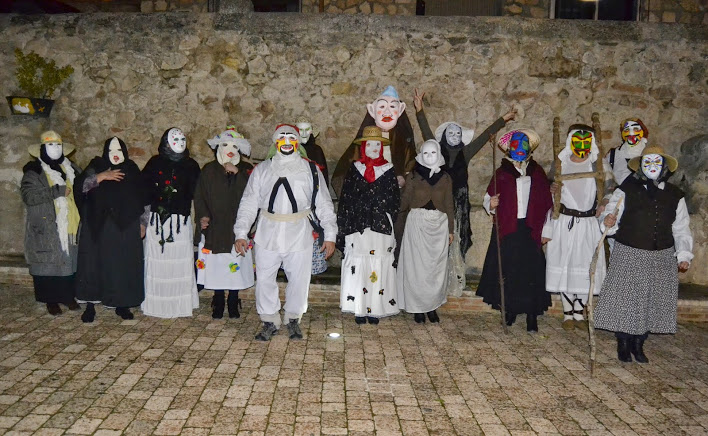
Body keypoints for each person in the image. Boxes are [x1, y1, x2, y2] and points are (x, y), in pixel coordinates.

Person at [234, 124, 337, 341]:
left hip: (299, 231)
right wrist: (241, 232)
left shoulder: (311, 171)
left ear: (298, 142)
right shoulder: (262, 170)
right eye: (282, 137)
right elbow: (249, 202)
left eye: (292, 137)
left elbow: (324, 203)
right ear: (275, 142)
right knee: (264, 278)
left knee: (299, 279)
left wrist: (330, 235)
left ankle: (293, 318)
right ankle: (269, 319)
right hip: (267, 232)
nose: (287, 141)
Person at [412, 88, 517, 295]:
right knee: (436, 241)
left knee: (457, 239)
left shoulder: (466, 152)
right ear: (444, 136)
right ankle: (433, 281)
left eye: (457, 133)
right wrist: (419, 110)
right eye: (450, 133)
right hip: (439, 202)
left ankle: (452, 280)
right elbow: (426, 132)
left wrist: (503, 119)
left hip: (459, 202)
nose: (454, 136)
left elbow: (484, 136)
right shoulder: (437, 150)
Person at [595, 146, 692, 363]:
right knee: (626, 299)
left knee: (651, 300)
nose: (651, 167)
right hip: (629, 251)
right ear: (640, 166)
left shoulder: (675, 195)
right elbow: (611, 215)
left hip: (662, 255)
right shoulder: (626, 189)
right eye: (647, 162)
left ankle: (639, 343)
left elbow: (681, 227)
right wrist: (607, 222)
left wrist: (684, 254)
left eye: (656, 162)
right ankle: (623, 341)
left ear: (664, 167)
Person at [476, 129, 553, 332]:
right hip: (509, 228)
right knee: (509, 271)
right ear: (510, 148)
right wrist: (490, 203)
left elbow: (547, 203)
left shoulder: (537, 172)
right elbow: (488, 197)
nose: (520, 148)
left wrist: (547, 229)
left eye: (524, 145)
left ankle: (531, 316)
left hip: (530, 229)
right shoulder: (501, 172)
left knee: (531, 273)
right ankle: (509, 309)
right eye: (516, 145)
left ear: (529, 149)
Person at [74, 137, 146, 322]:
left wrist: (143, 222)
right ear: (105, 151)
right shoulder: (95, 166)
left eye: (119, 151)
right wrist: (100, 177)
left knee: (121, 265)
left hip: (125, 226)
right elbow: (79, 188)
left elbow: (144, 198)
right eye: (111, 151)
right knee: (93, 264)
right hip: (97, 225)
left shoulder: (131, 169)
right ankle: (90, 305)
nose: (115, 155)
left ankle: (122, 303)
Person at [542, 125, 606, 330]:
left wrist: (604, 203)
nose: (582, 146)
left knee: (585, 266)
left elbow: (609, 189)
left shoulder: (597, 165)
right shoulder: (560, 164)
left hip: (588, 224)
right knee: (565, 264)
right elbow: (549, 191)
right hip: (565, 222)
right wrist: (552, 189)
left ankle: (579, 311)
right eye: (577, 141)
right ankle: (567, 312)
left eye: (586, 142)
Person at [337, 126, 400, 324]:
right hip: (359, 226)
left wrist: (382, 212)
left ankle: (375, 308)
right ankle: (359, 307)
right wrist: (347, 225)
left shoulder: (389, 171)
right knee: (359, 265)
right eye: (370, 144)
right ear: (364, 147)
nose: (374, 147)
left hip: (380, 227)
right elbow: (346, 198)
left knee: (378, 266)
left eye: (378, 144)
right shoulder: (355, 170)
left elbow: (394, 199)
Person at [194, 127, 255, 319]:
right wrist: (203, 216)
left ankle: (233, 299)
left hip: (237, 228)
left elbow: (253, 194)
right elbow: (200, 196)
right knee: (217, 266)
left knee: (234, 264)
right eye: (226, 145)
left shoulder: (246, 170)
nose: (230, 149)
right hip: (215, 228)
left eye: (235, 146)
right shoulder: (209, 170)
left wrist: (237, 173)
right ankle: (218, 299)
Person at [141, 127, 201, 318]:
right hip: (158, 221)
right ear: (166, 142)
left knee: (179, 260)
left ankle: (179, 303)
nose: (179, 142)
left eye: (183, 139)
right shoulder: (154, 163)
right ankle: (157, 303)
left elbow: (196, 192)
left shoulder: (191, 165)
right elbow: (143, 191)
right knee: (158, 259)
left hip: (180, 222)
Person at [20, 131, 81, 315]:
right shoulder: (34, 172)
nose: (55, 149)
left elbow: (82, 186)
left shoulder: (72, 169)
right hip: (46, 224)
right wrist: (57, 191)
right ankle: (50, 300)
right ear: (42, 149)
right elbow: (29, 196)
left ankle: (68, 296)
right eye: (50, 145)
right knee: (47, 262)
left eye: (58, 145)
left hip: (70, 224)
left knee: (69, 261)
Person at [395, 139, 454, 323]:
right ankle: (417, 308)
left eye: (433, 153)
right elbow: (404, 201)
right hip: (417, 224)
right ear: (421, 155)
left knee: (434, 270)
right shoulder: (413, 176)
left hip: (438, 226)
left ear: (439, 154)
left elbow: (450, 204)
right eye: (426, 153)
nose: (429, 157)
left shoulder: (445, 177)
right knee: (416, 269)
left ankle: (432, 307)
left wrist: (451, 229)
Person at [331, 86, 416, 196]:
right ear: (372, 110)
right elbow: (342, 174)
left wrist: (403, 179)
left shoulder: (404, 143)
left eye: (392, 106)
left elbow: (413, 169)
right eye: (382, 106)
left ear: (400, 111)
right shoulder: (362, 143)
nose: (387, 112)